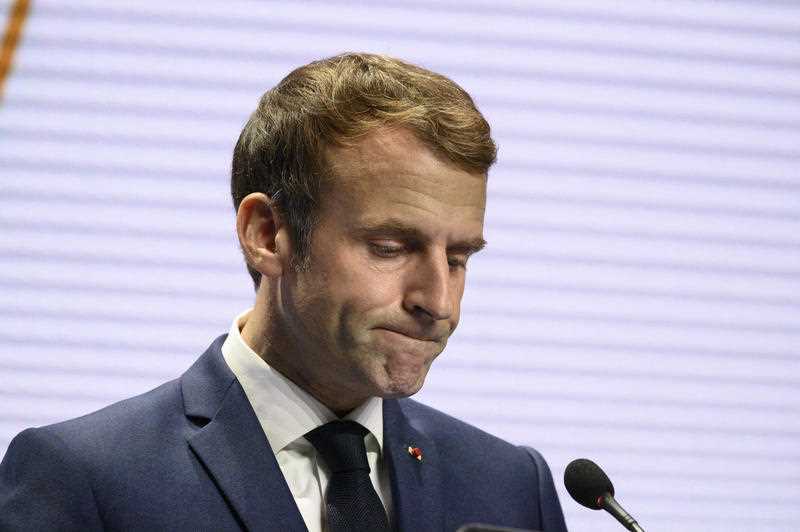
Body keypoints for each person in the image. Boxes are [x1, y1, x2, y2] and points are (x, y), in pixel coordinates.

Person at [0, 53, 567, 532]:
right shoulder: (83, 479)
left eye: (458, 257)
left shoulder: (513, 486)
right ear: (267, 235)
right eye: (391, 247)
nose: (438, 302)